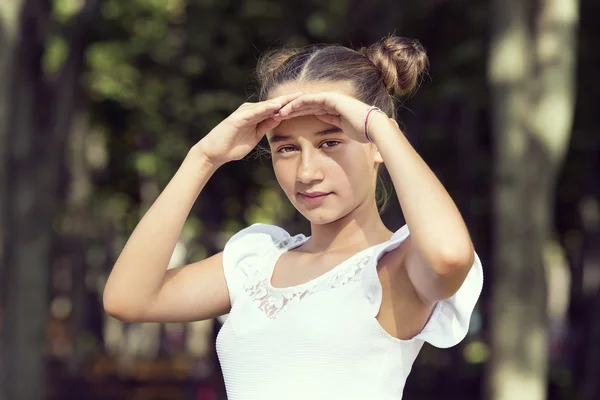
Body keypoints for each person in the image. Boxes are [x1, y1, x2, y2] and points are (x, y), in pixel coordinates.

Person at [103, 34, 484, 400]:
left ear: (378, 144)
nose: (306, 172)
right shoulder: (256, 262)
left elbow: (449, 255)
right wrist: (203, 158)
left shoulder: (397, 265)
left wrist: (379, 127)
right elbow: (128, 299)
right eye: (285, 148)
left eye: (330, 142)